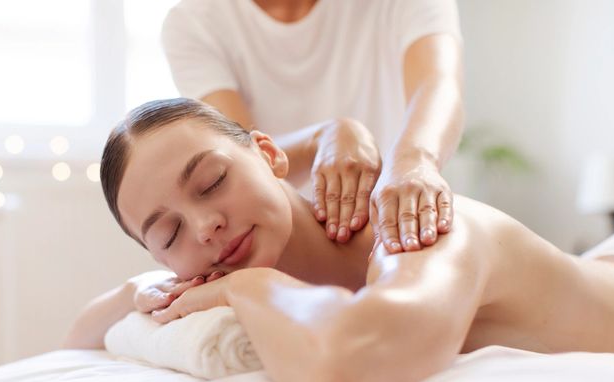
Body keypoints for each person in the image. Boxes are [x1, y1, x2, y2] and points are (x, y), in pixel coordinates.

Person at [63, 99, 614, 382]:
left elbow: (352, 360)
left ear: (269, 156)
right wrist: (138, 292)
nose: (205, 227)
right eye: (169, 235)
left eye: (212, 181)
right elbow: (78, 339)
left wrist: (242, 286)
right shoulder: (198, 270)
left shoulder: (413, 224)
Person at [161, 0, 464, 254]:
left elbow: (438, 83)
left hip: (402, 213)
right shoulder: (194, 22)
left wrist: (414, 162)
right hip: (287, 246)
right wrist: (323, 138)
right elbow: (240, 155)